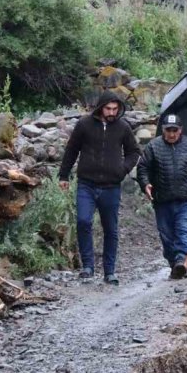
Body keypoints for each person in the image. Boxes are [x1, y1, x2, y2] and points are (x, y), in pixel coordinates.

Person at [58, 90, 141, 285]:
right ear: (100, 107)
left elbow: (134, 152)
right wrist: (64, 175)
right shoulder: (84, 125)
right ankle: (88, 266)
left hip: (111, 185)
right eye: (108, 108)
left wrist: (123, 169)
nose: (112, 112)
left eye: (115, 109)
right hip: (86, 183)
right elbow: (72, 150)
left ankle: (109, 271)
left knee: (110, 229)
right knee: (83, 221)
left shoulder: (123, 127)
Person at [137, 114, 187, 280]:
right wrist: (145, 184)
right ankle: (174, 264)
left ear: (180, 130)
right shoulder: (153, 146)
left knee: (184, 229)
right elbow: (143, 168)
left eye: (174, 130)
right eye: (168, 130)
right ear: (162, 130)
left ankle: (180, 260)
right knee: (166, 235)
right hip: (162, 199)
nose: (171, 134)